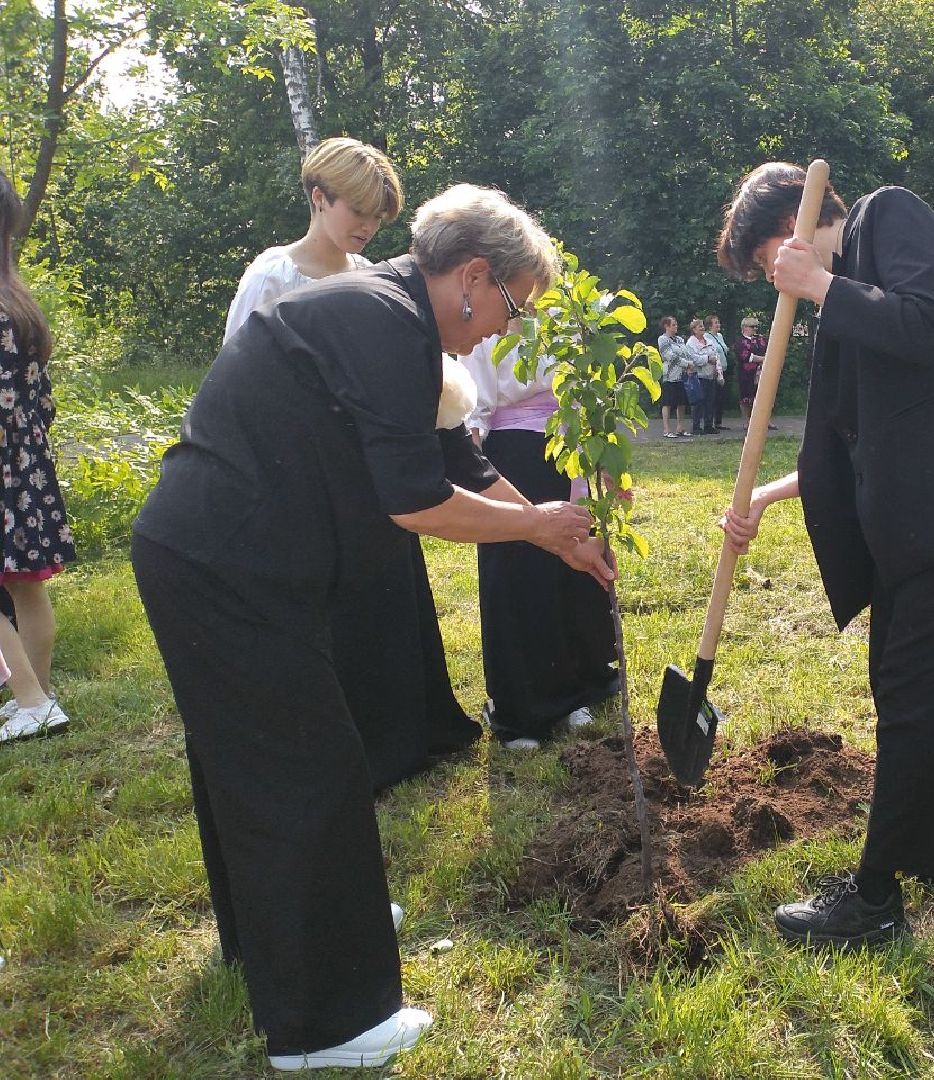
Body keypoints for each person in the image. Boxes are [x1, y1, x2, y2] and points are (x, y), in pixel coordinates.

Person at [131, 184, 610, 1070]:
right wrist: (540, 526)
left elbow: (453, 457)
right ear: (473, 275)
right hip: (229, 561)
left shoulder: (389, 315)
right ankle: (328, 1025)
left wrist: (557, 543)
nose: (507, 329)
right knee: (302, 762)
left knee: (252, 759)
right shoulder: (380, 319)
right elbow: (418, 502)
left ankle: (283, 930)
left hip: (226, 555)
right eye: (513, 304)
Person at [717, 163, 934, 949]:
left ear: (795, 228)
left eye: (769, 256)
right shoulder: (837, 305)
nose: (773, 279)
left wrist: (816, 286)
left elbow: (925, 323)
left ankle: (873, 901)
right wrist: (760, 504)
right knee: (911, 689)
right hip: (923, 523)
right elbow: (847, 445)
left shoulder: (890, 216)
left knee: (914, 694)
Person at [223, 137, 481, 792]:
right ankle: (362, 744)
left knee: (392, 598)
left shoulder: (373, 272)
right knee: (340, 615)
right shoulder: (272, 276)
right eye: (356, 210)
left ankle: (414, 728)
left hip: (378, 462)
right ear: (318, 198)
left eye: (376, 216)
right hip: (307, 471)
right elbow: (240, 375)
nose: (365, 226)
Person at [459, 333, 620, 750]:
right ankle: (521, 707)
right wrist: (477, 472)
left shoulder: (562, 311)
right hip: (513, 459)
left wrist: (601, 458)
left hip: (570, 448)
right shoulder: (484, 318)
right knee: (519, 576)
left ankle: (575, 690)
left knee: (572, 573)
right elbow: (473, 405)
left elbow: (589, 387)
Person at [0, 169, 76, 744]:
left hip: (6, 466)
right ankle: (38, 698)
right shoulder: (18, 300)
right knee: (27, 587)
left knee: (21, 587)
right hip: (25, 466)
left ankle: (29, 698)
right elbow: (38, 401)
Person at [735, 314, 776, 430]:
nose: (755, 329)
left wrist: (765, 359)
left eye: (756, 327)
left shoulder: (761, 340)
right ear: (745, 327)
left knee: (764, 396)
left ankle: (766, 420)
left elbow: (769, 350)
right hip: (746, 374)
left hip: (762, 372)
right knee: (746, 397)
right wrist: (764, 359)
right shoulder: (740, 341)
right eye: (752, 327)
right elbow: (746, 356)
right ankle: (747, 421)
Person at [656, 316, 690, 438]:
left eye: (676, 324)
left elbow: (686, 353)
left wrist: (688, 364)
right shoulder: (663, 339)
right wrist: (686, 364)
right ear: (666, 326)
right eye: (673, 325)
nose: (676, 327)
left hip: (681, 375)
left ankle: (680, 427)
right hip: (669, 375)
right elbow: (669, 356)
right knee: (667, 402)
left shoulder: (680, 340)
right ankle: (666, 429)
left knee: (682, 402)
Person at [685, 317, 719, 435]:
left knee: (710, 401)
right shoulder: (690, 343)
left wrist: (716, 366)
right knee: (698, 401)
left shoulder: (709, 341)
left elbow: (715, 354)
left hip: (710, 375)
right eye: (700, 326)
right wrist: (708, 358)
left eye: (703, 326)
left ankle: (709, 425)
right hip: (698, 376)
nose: (702, 328)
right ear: (694, 329)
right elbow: (694, 359)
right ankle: (696, 427)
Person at [704, 314, 731, 429]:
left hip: (723, 368)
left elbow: (724, 348)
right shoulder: (706, 336)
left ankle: (718, 422)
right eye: (716, 323)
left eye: (718, 322)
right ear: (710, 325)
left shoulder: (720, 336)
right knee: (713, 397)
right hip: (714, 370)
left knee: (721, 396)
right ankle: (710, 422)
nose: (718, 325)